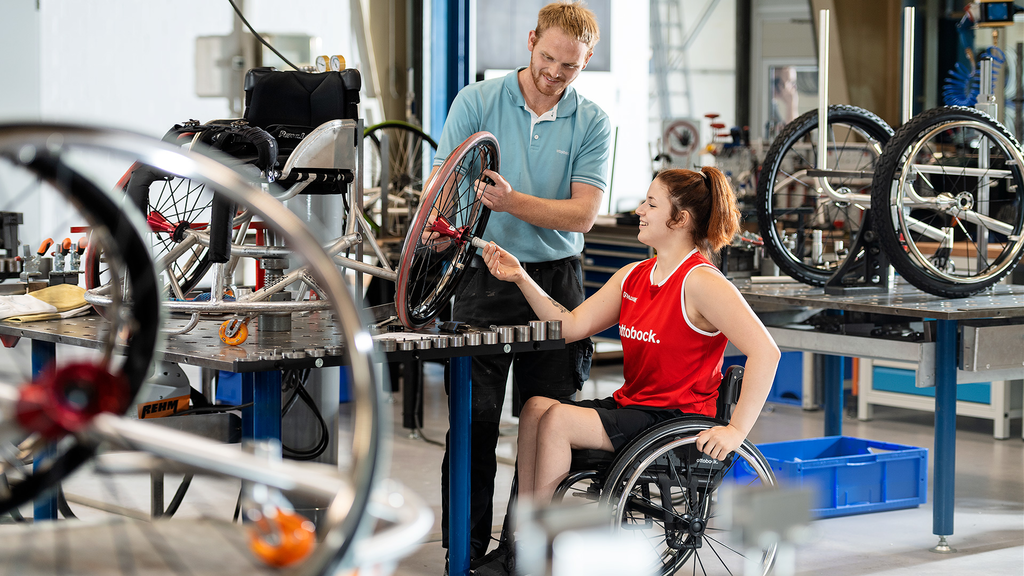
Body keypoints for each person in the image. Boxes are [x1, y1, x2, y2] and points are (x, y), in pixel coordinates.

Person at [431, 1, 612, 569]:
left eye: (571, 67)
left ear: (587, 62)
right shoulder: (477, 102)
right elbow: (443, 189)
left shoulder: (593, 121)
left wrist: (511, 203)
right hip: (482, 277)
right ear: (531, 41)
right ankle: (463, 555)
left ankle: (522, 555)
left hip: (555, 282)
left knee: (547, 426)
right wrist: (440, 231)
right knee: (474, 424)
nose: (556, 73)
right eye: (548, 58)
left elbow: (582, 216)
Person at [481, 167, 780, 505]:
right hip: (636, 408)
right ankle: (525, 536)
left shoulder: (700, 282)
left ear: (680, 219)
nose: (639, 210)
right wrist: (521, 276)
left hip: (676, 419)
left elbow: (766, 352)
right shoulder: (634, 275)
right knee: (535, 408)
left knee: (558, 420)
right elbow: (570, 326)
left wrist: (736, 431)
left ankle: (543, 547)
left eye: (651, 204)